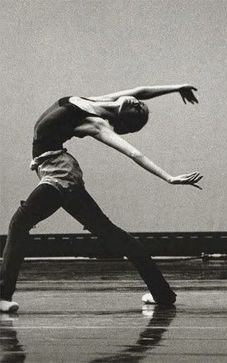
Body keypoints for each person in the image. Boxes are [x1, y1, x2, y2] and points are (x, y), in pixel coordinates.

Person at [0, 84, 202, 312]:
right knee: (112, 234)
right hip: (61, 172)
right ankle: (162, 294)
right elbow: (141, 90)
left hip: (59, 175)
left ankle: (2, 296)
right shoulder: (96, 103)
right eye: (137, 102)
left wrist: (169, 178)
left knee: (19, 224)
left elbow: (134, 153)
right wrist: (177, 88)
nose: (135, 100)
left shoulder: (95, 121)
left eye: (137, 104)